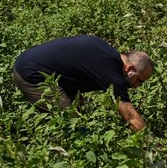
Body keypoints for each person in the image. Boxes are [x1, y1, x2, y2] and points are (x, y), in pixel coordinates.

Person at [12, 35, 152, 131]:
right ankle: (57, 165)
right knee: (68, 125)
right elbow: (131, 117)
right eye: (138, 80)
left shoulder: (108, 54)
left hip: (49, 71)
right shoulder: (112, 73)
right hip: (33, 73)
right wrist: (151, 151)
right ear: (130, 68)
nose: (135, 86)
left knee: (77, 118)